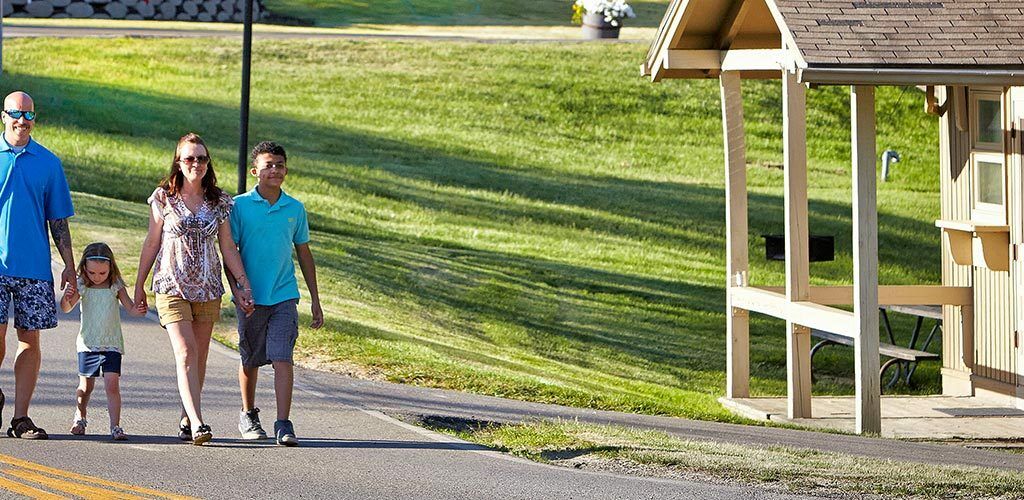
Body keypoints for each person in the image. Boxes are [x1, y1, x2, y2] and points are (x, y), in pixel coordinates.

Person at [134, 133, 254, 446]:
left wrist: (242, 284)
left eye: (201, 158)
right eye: (189, 158)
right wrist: (139, 286)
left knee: (199, 356)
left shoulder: (220, 201)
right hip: (170, 284)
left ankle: (188, 416)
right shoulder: (163, 198)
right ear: (178, 162)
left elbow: (228, 246)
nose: (196, 164)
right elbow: (151, 242)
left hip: (208, 286)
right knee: (185, 351)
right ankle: (199, 423)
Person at [227, 141, 323, 446]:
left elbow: (304, 254)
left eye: (279, 165)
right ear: (255, 171)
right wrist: (239, 289)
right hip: (251, 297)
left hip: (284, 294)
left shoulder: (294, 209)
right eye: (268, 165)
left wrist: (316, 300)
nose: (274, 170)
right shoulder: (239, 206)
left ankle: (283, 423)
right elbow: (230, 252)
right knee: (251, 358)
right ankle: (248, 414)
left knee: (282, 356)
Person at [0, 91, 76, 440]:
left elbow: (58, 221)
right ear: (4, 116)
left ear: (34, 118)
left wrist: (70, 268)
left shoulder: (48, 163)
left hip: (34, 269)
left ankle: (21, 418)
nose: (21, 119)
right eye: (15, 113)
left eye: (28, 114)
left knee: (29, 340)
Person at [60, 242, 144, 441]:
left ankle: (115, 425)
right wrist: (67, 297)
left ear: (110, 269)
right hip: (88, 343)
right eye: (92, 273)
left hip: (111, 343)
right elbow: (66, 308)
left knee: (111, 385)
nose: (97, 277)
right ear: (84, 269)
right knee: (85, 387)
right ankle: (80, 416)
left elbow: (130, 308)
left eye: (102, 273)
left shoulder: (116, 284)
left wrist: (139, 309)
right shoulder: (83, 285)